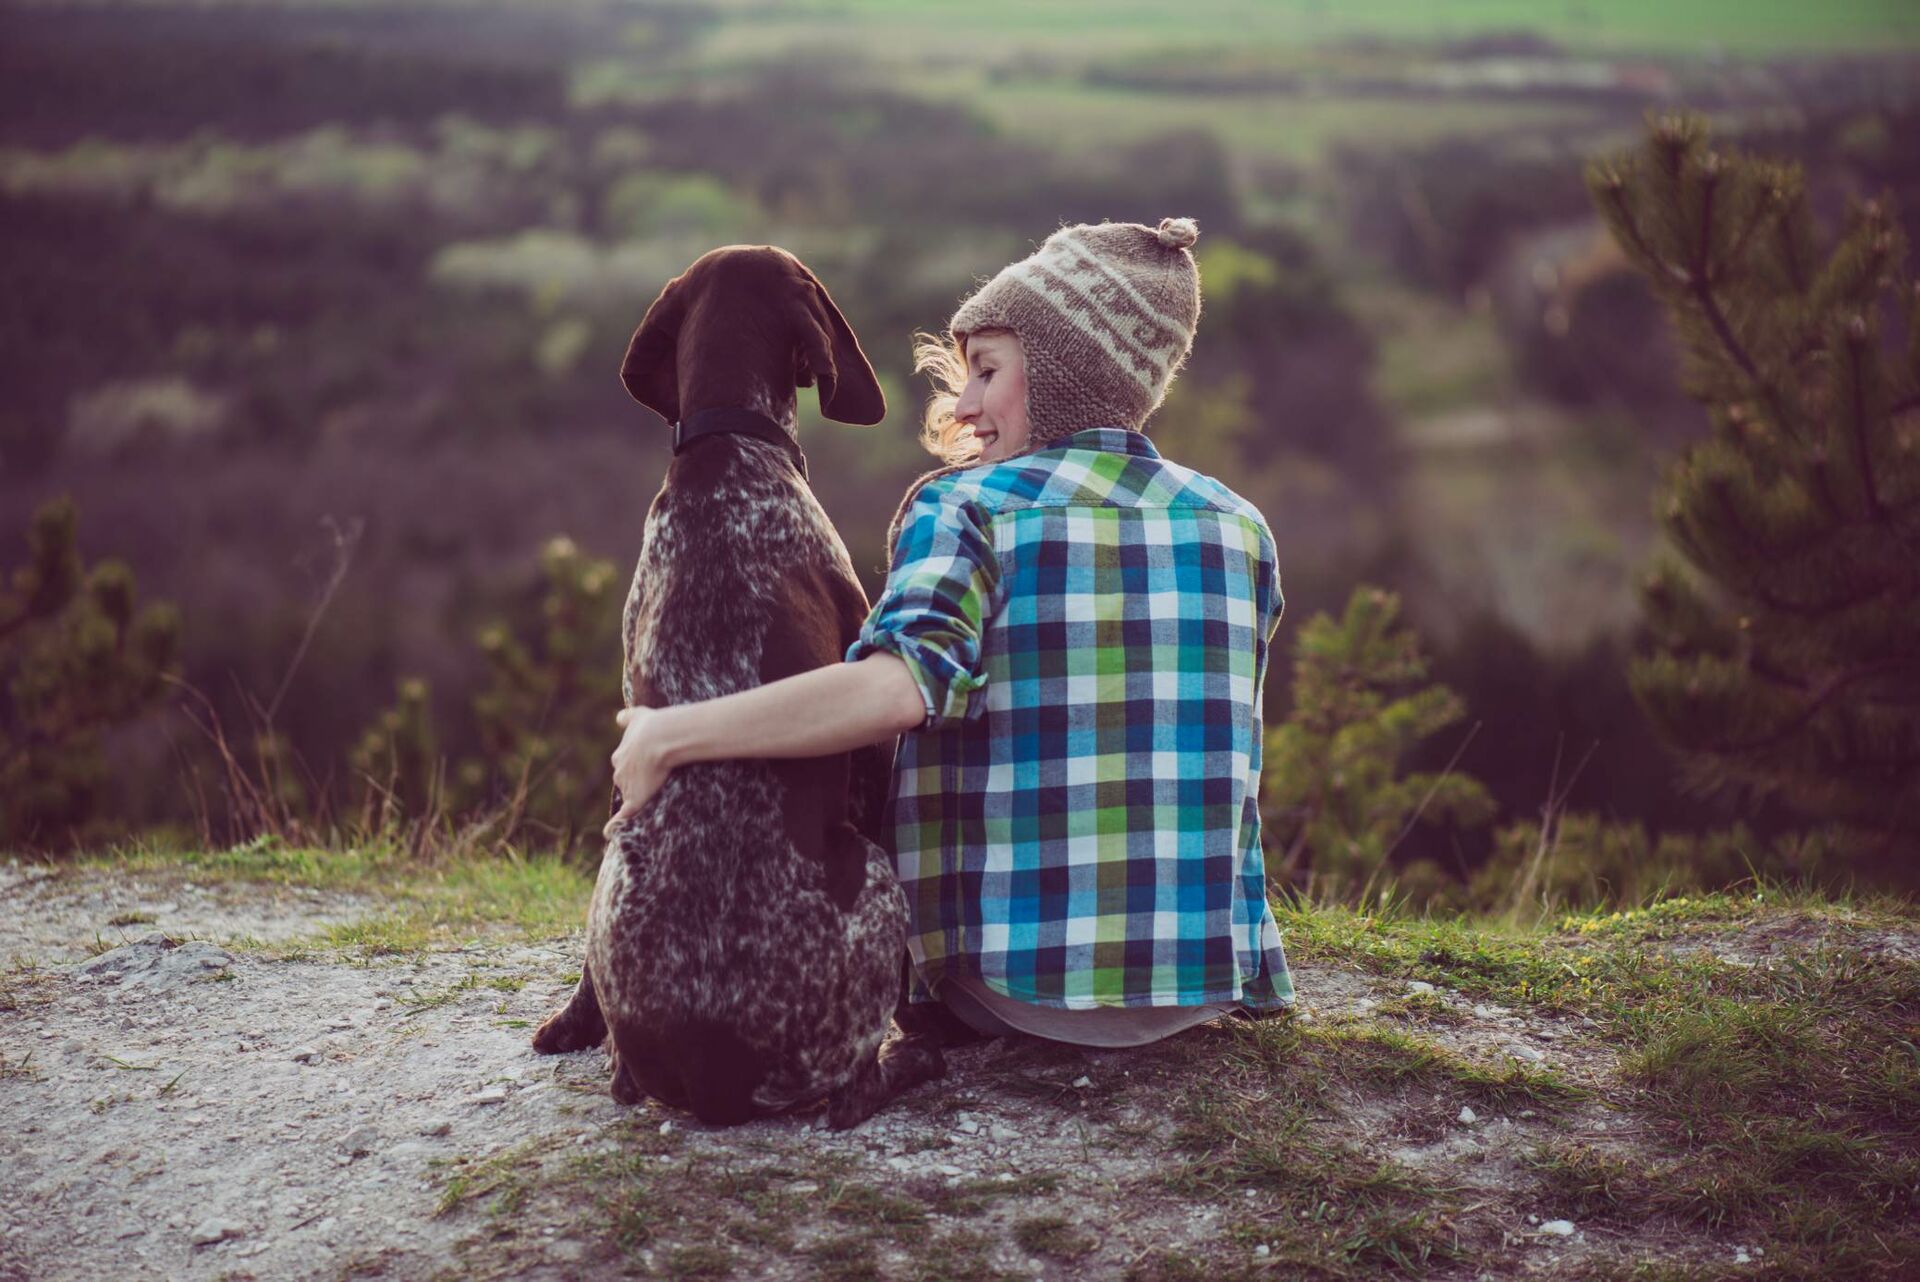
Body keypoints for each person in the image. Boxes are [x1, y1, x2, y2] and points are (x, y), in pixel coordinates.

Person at [606, 216, 1295, 1047]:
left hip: (1011, 990)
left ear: (1067, 371)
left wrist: (668, 736)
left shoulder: (968, 506)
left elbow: (895, 691)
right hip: (1199, 987)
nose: (964, 405)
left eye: (988, 372)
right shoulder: (1240, 524)